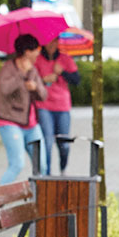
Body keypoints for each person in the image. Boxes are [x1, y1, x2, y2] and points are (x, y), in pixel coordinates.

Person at [0, 34, 47, 183]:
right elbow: (4, 90)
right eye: (37, 49)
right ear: (27, 51)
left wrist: (35, 87)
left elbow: (43, 95)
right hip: (10, 122)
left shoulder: (33, 70)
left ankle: (37, 200)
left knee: (41, 166)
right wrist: (21, 74)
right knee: (17, 165)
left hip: (31, 124)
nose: (39, 52)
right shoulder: (8, 68)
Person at [34, 35, 80, 175]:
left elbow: (77, 80)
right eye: (49, 41)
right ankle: (47, 176)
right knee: (47, 143)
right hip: (44, 106)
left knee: (64, 144)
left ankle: (63, 169)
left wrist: (62, 72)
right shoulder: (37, 60)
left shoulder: (65, 59)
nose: (52, 44)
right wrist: (43, 80)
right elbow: (30, 82)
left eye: (55, 41)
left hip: (62, 106)